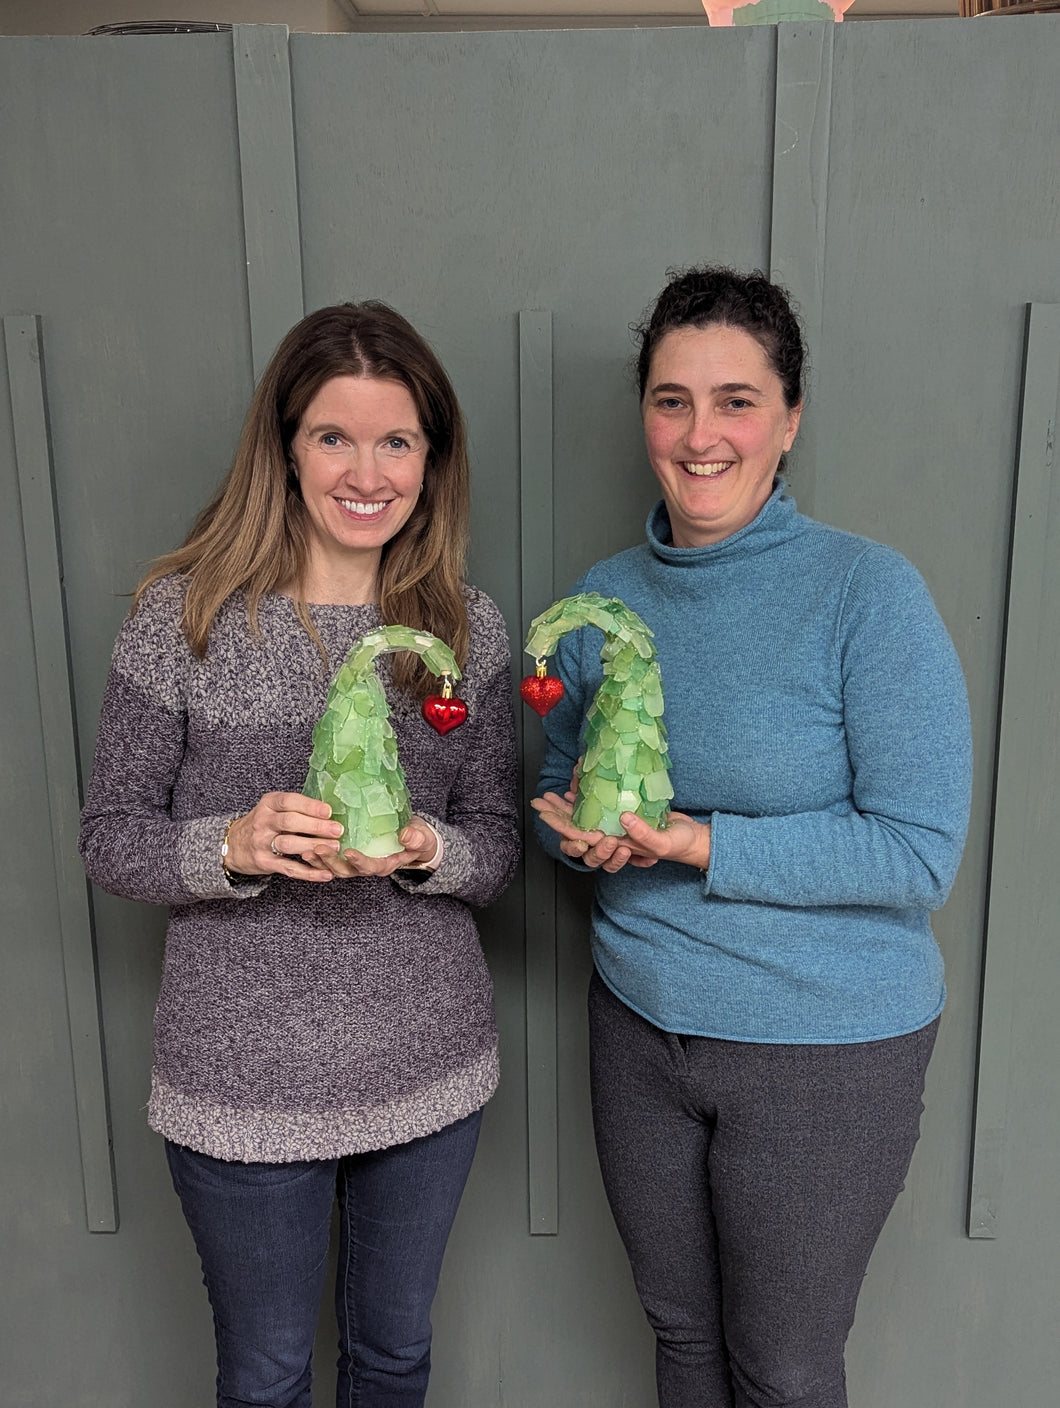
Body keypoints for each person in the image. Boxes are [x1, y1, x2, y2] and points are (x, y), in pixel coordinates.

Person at [532, 266, 972, 1408]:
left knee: (783, 1369)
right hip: (639, 1028)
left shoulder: (867, 594)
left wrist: (695, 845)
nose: (701, 435)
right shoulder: (604, 600)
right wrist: (579, 838)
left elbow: (916, 850)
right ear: (644, 416)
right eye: (671, 401)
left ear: (789, 418)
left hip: (824, 1047)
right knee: (681, 1338)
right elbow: (560, 785)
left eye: (736, 401)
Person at [79, 301, 520, 1408]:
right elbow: (110, 836)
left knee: (396, 1356)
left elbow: (499, 846)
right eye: (334, 436)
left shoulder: (466, 633)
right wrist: (230, 845)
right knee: (267, 1373)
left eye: (396, 440)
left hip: (427, 1065)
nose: (366, 473)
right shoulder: (183, 619)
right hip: (239, 1077)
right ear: (284, 447)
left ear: (432, 458)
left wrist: (428, 849)